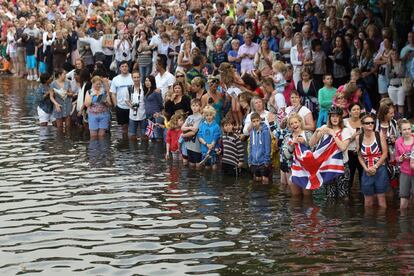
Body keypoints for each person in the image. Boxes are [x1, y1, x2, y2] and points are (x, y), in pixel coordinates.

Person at [309, 106, 352, 199]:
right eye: (332, 116)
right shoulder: (324, 128)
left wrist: (333, 133)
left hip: (342, 166)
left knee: (343, 195)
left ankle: (343, 212)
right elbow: (311, 143)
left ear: (340, 118)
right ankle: (330, 213)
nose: (335, 118)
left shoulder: (345, 130)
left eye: (337, 116)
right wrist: (316, 132)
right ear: (329, 117)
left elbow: (343, 147)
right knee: (330, 195)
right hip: (327, 166)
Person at [357, 114, 389, 208]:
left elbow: (385, 154)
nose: (370, 124)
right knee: (367, 201)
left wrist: (375, 167)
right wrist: (366, 168)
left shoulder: (379, 135)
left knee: (381, 199)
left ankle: (382, 221)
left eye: (372, 122)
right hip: (367, 171)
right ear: (362, 125)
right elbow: (359, 155)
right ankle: (368, 222)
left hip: (380, 169)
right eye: (367, 123)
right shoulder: (359, 138)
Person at [283, 113, 313, 196]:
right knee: (296, 198)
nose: (294, 125)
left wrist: (304, 143)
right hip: (294, 171)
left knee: (307, 197)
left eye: (296, 122)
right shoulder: (288, 137)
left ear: (300, 122)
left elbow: (314, 151)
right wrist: (291, 146)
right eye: (291, 123)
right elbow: (286, 156)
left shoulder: (308, 134)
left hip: (307, 170)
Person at [395, 119, 414, 209]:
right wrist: (401, 158)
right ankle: (403, 220)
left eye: (409, 129)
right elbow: (396, 157)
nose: (407, 131)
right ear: (400, 131)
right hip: (405, 172)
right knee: (403, 198)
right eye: (405, 129)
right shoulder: (398, 142)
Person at [110, 61, 133, 135]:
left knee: (132, 126)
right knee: (123, 127)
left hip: (132, 106)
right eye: (122, 66)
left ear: (128, 68)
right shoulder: (115, 79)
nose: (124, 68)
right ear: (119, 68)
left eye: (126, 66)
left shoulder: (133, 77)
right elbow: (113, 93)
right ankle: (125, 142)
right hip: (120, 106)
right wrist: (115, 105)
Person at [344, 103, 363, 191]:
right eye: (354, 109)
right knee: (349, 177)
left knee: (362, 176)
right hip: (349, 152)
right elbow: (343, 139)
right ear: (349, 112)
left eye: (358, 109)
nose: (356, 111)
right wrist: (353, 136)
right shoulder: (344, 122)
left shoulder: (364, 121)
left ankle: (363, 196)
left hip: (361, 152)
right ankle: (347, 198)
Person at [248, 112, 271, 184]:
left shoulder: (265, 131)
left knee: (265, 180)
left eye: (257, 121)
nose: (256, 123)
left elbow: (267, 147)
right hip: (254, 162)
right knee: (257, 180)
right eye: (253, 121)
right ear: (251, 122)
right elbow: (250, 146)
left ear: (260, 120)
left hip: (263, 161)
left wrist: (266, 160)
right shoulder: (252, 132)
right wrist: (250, 160)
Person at [198, 105, 222, 169]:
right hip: (204, 150)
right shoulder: (202, 125)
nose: (209, 117)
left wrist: (212, 145)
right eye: (207, 115)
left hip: (213, 150)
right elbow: (199, 136)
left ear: (213, 115)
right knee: (206, 167)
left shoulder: (216, 126)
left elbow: (216, 137)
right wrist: (206, 144)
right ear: (204, 116)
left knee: (214, 166)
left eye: (210, 115)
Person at [182, 99, 203, 167]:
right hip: (188, 144)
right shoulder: (189, 117)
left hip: (196, 145)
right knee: (191, 164)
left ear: (200, 107)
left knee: (198, 164)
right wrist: (191, 128)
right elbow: (182, 128)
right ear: (191, 106)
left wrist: (183, 135)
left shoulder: (200, 117)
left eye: (197, 105)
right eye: (193, 105)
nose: (194, 107)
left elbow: (195, 131)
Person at [126, 71, 146, 140]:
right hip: (133, 115)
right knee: (132, 136)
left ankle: (144, 150)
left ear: (140, 77)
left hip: (143, 114)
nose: (136, 79)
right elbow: (126, 100)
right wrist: (131, 106)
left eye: (138, 77)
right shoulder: (129, 88)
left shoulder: (144, 87)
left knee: (144, 135)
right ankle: (133, 150)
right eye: (134, 77)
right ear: (132, 78)